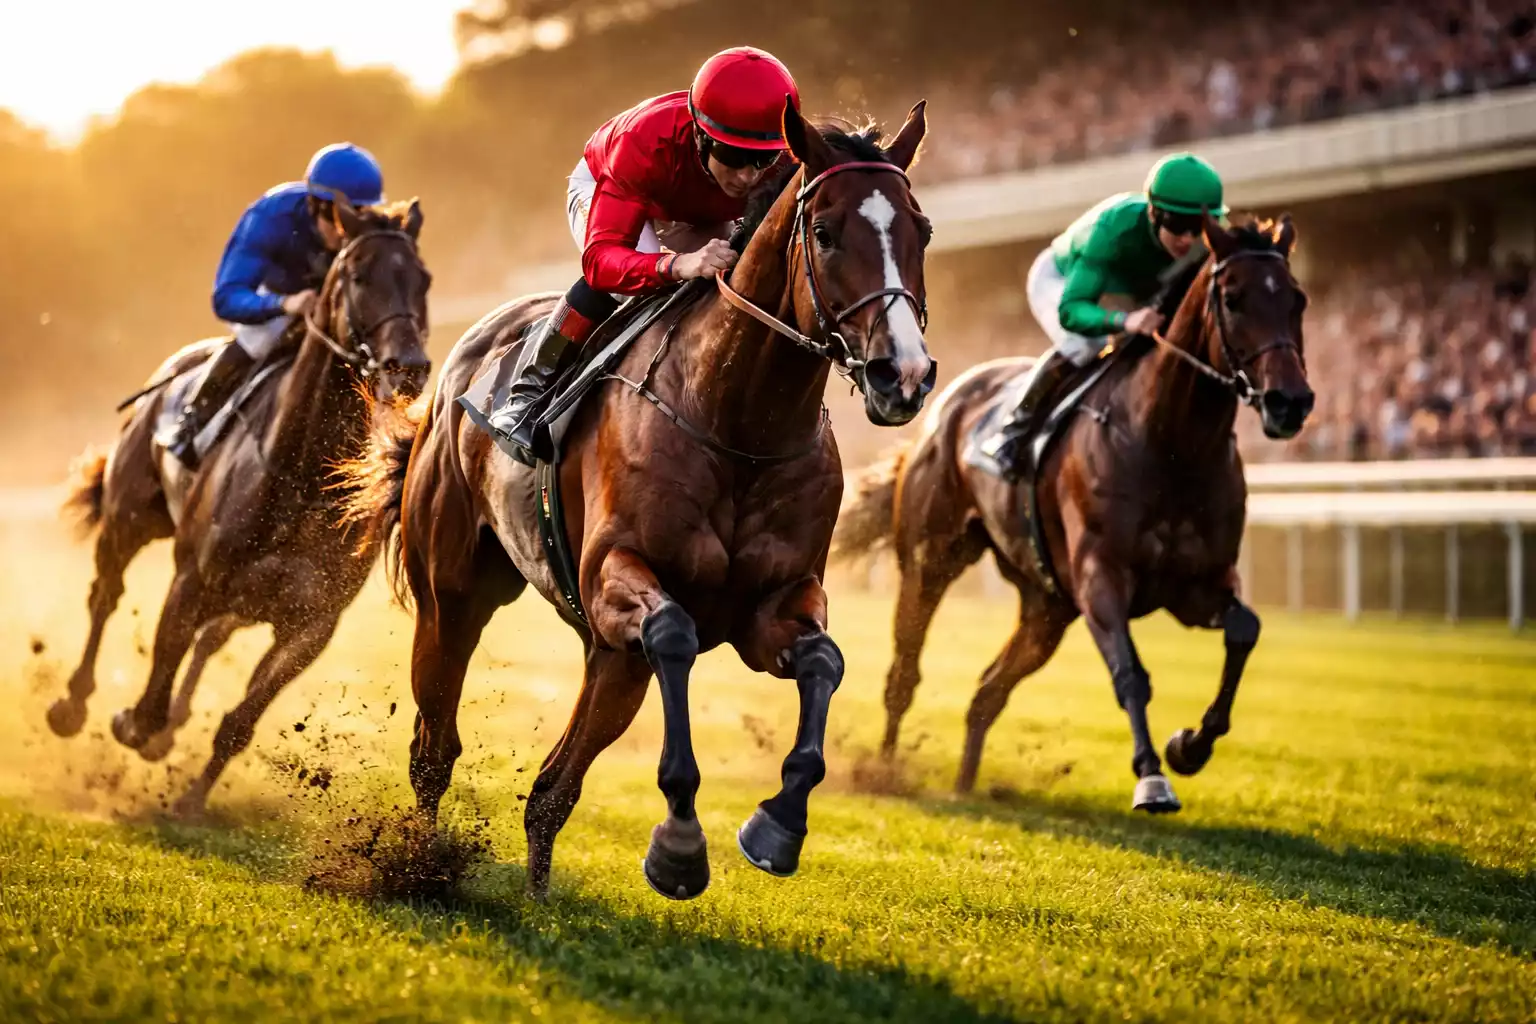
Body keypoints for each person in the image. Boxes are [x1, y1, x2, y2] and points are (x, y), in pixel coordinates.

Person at [482, 46, 800, 466]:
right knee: (635, 284)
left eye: (763, 160)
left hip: (697, 207)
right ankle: (527, 394)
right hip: (610, 186)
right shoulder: (644, 143)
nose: (748, 176)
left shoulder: (787, 155)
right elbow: (601, 262)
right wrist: (676, 264)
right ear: (702, 135)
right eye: (735, 157)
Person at [981, 152, 1228, 480]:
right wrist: (1124, 322)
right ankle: (1013, 432)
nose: (1187, 238)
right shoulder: (1113, 229)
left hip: (1130, 295)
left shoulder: (1208, 239)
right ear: (1153, 213)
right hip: (1062, 281)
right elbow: (1070, 311)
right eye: (1177, 225)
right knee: (1086, 344)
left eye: (1197, 227)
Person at [166, 142, 386, 469]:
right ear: (316, 206)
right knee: (261, 338)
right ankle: (194, 421)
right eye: (341, 222)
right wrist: (284, 304)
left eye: (358, 218)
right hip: (279, 306)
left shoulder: (369, 230)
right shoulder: (270, 217)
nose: (347, 235)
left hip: (338, 312)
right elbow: (226, 296)